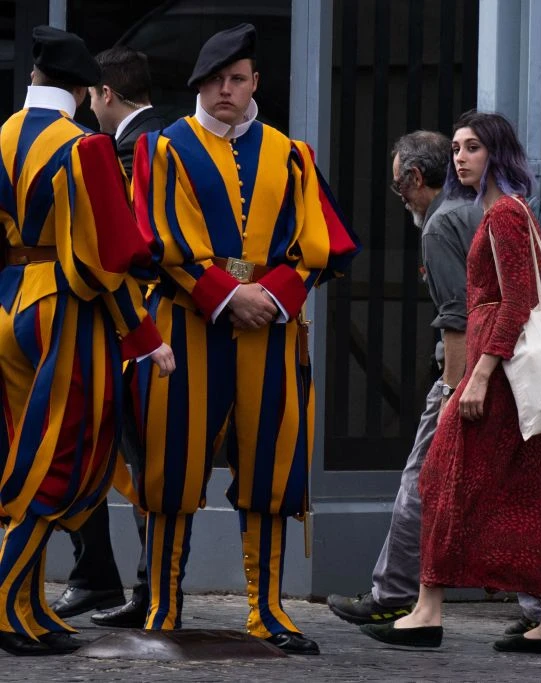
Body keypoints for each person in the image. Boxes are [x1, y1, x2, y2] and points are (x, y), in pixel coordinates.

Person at [130, 23, 359, 656]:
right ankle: (164, 606)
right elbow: (159, 240)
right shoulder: (164, 148)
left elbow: (318, 243)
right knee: (172, 462)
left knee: (271, 467)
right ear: (198, 84)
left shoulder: (292, 153)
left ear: (255, 82)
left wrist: (275, 295)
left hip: (273, 330)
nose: (226, 90)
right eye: (214, 81)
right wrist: (230, 295)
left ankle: (267, 609)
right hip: (188, 326)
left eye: (237, 79)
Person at [358, 110, 541, 655]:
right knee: (533, 494)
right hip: (503, 376)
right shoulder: (498, 211)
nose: (460, 156)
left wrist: (475, 377)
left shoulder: (503, 214)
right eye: (456, 147)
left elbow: (516, 301)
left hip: (497, 378)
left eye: (473, 147)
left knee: (438, 480)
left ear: (496, 154)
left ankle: (428, 611)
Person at [0, 26, 174, 656]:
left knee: (28, 453)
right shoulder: (86, 146)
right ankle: (6, 602)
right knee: (56, 462)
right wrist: (145, 333)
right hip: (62, 312)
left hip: (9, 299)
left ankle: (28, 604)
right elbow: (106, 258)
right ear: (81, 89)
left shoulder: (2, 134)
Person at [326, 131, 481, 623]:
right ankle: (538, 606)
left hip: (469, 372)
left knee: (420, 480)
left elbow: (458, 317)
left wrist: (452, 392)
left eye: (398, 187)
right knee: (497, 486)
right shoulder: (481, 210)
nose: (401, 198)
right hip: (503, 367)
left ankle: (392, 594)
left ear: (415, 179)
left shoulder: (439, 226)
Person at [50, 46, 169, 629]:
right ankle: (110, 580)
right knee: (115, 453)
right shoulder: (168, 138)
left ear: (104, 94)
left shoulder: (128, 150)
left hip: (130, 328)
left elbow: (118, 251)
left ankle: (133, 587)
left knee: (123, 454)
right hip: (145, 328)